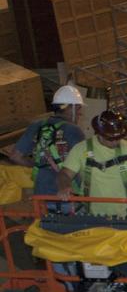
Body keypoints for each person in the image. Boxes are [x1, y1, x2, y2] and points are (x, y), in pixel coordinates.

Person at [57, 110, 127, 220]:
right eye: (110, 138)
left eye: (118, 138)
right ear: (99, 134)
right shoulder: (81, 149)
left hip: (124, 216)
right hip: (90, 216)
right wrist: (64, 187)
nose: (115, 142)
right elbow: (65, 174)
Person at [8, 84, 85, 213]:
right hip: (68, 196)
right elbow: (85, 164)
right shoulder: (74, 131)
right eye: (78, 109)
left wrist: (38, 164)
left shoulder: (36, 126)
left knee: (46, 225)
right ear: (70, 108)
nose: (79, 113)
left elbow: (15, 156)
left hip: (41, 195)